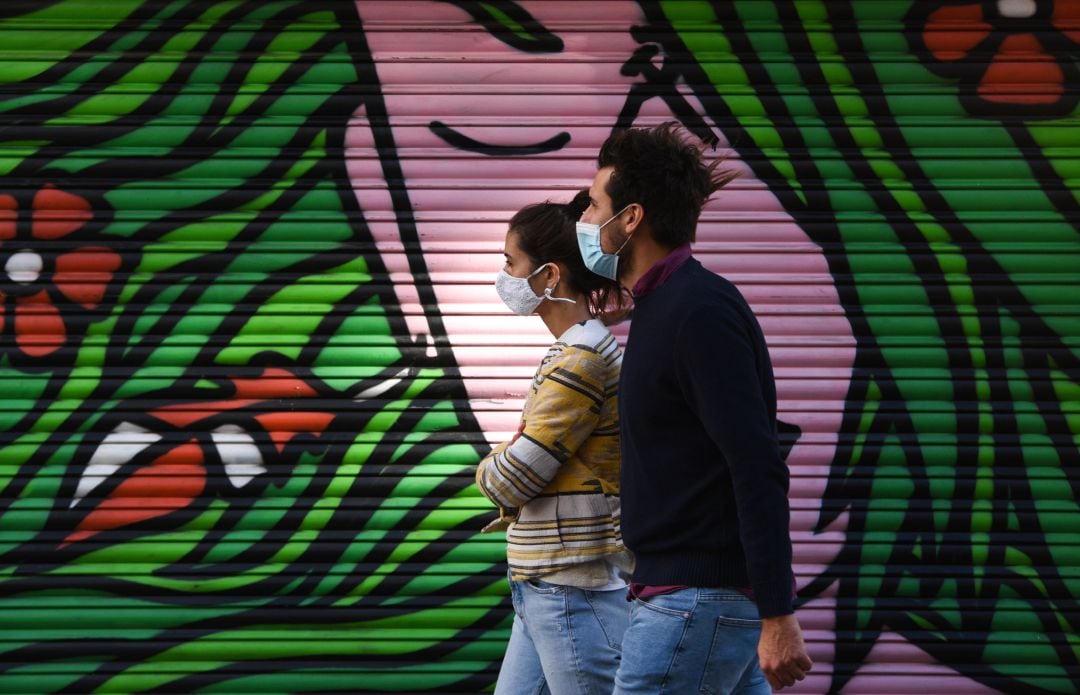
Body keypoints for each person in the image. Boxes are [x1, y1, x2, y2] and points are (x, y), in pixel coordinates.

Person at [577, 122, 814, 693]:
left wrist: (779, 614)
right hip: (686, 598)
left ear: (629, 218)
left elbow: (756, 463)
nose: (582, 220)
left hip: (696, 602)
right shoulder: (663, 306)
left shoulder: (697, 312)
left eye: (591, 204)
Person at [476, 191, 634, 695]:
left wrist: (490, 465)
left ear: (549, 275)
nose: (503, 275)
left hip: (568, 584)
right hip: (545, 579)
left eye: (510, 261)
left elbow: (512, 478)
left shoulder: (580, 360)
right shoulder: (576, 350)